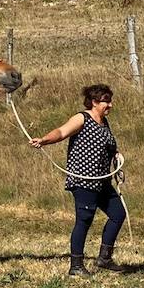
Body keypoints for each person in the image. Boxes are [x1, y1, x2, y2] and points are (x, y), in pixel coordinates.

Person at [30, 84, 126, 276]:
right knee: (84, 220)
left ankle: (104, 258)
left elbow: (106, 146)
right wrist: (44, 140)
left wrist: (116, 155)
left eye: (110, 101)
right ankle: (76, 266)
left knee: (118, 214)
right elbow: (62, 132)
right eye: (106, 101)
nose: (110, 105)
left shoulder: (104, 123)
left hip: (102, 182)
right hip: (84, 181)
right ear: (94, 102)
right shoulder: (82, 118)